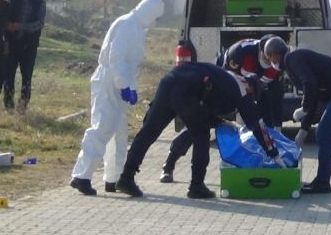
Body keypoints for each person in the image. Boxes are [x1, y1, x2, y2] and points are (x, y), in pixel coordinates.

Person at [115, 62, 279, 199]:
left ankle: (126, 178)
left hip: (170, 80)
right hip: (187, 88)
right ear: (251, 87)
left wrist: (219, 121)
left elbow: (208, 105)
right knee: (201, 134)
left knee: (148, 133)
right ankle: (196, 186)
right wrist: (273, 153)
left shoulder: (226, 76)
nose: (250, 99)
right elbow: (256, 125)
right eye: (252, 95)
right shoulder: (242, 88)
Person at [70, 0, 164, 196]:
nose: (155, 23)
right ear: (150, 13)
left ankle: (114, 179)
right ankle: (81, 176)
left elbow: (130, 63)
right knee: (102, 128)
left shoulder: (136, 27)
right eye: (156, 18)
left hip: (118, 82)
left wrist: (130, 85)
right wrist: (123, 84)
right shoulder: (127, 24)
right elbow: (116, 58)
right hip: (107, 82)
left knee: (119, 135)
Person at [159, 34, 283, 183]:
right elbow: (222, 77)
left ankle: (246, 165)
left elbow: (274, 97)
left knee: (254, 127)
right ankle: (169, 164)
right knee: (197, 124)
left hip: (243, 93)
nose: (274, 61)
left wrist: (277, 129)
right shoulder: (240, 52)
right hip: (217, 90)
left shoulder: (275, 68)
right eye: (271, 57)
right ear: (265, 53)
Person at [264, 37, 331, 194]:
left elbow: (310, 84)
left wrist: (303, 108)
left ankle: (322, 183)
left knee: (324, 132)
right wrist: (303, 129)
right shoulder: (292, 62)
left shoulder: (292, 59)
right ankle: (321, 181)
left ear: (275, 53)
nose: (270, 62)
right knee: (324, 132)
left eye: (269, 57)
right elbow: (314, 95)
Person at [3, 0, 46, 113]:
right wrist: (8, 26)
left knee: (26, 76)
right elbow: (6, 16)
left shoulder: (40, 3)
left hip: (29, 46)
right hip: (12, 43)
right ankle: (8, 106)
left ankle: (22, 107)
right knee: (8, 75)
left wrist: (20, 26)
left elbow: (39, 24)